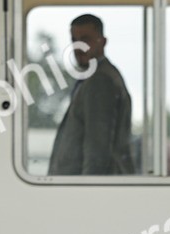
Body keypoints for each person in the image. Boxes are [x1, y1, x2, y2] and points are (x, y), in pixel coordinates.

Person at [48, 13, 135, 176]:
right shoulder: (94, 77)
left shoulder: (100, 81)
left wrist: (90, 186)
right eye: (74, 40)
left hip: (87, 184)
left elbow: (98, 147)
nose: (78, 47)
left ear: (103, 42)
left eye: (85, 39)